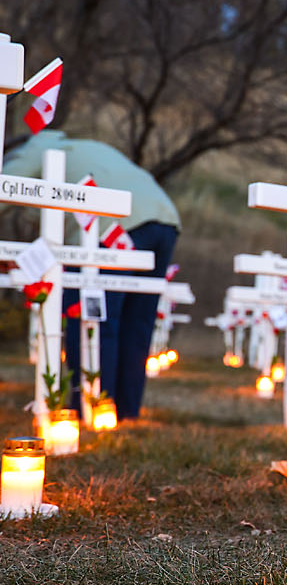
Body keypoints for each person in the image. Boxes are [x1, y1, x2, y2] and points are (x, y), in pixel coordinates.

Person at [3, 130, 180, 420]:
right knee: (137, 322)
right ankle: (126, 411)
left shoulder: (38, 148)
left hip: (112, 226)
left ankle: (94, 407)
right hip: (164, 218)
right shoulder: (87, 146)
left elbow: (6, 187)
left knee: (93, 316)